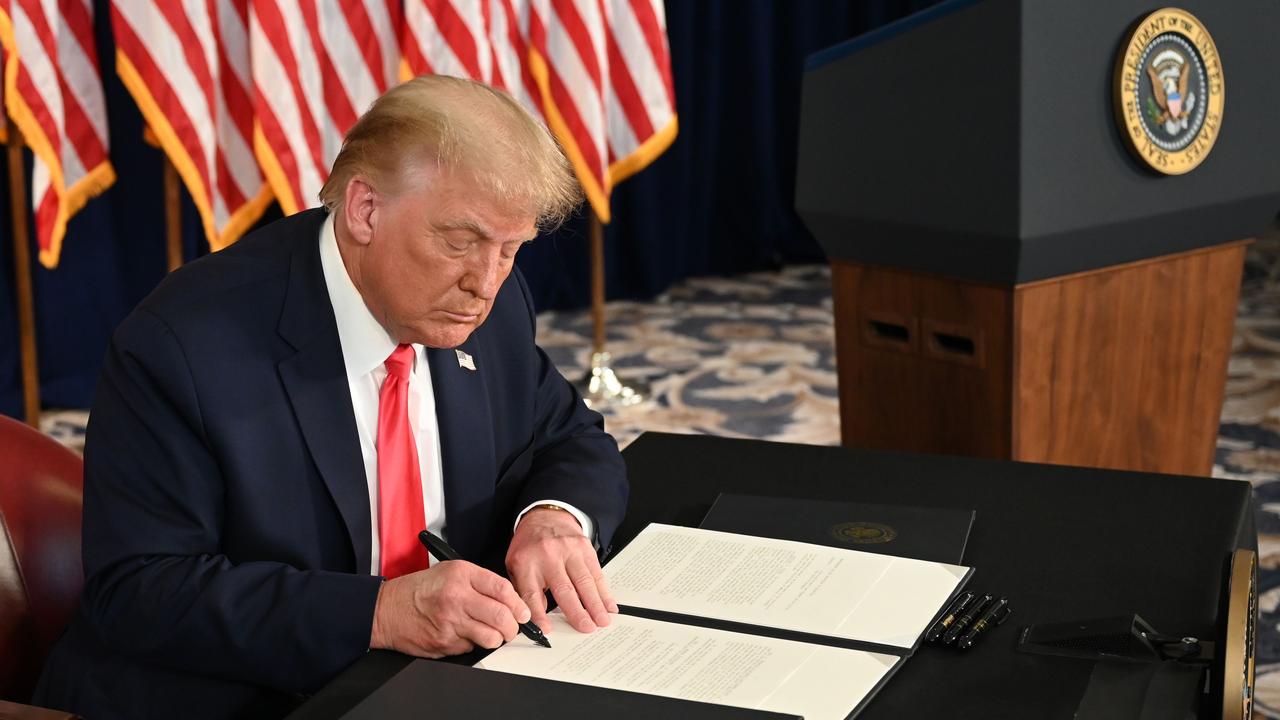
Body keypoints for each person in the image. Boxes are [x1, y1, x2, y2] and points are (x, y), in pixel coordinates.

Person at [34, 75, 629, 719]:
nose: (484, 283)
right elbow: (140, 592)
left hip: (437, 687)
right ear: (365, 209)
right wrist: (379, 613)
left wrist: (552, 519)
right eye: (459, 243)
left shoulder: (493, 308)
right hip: (241, 698)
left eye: (511, 249)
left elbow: (570, 435)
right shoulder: (181, 346)